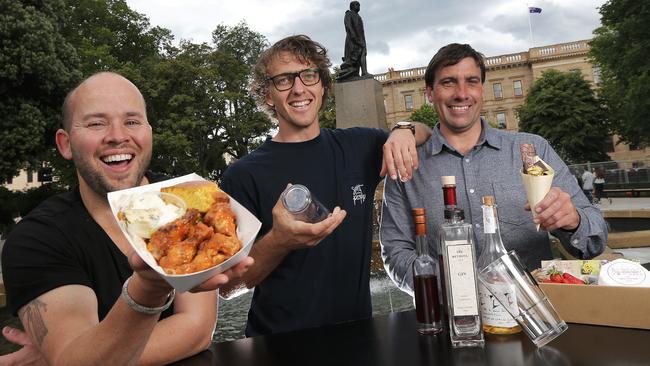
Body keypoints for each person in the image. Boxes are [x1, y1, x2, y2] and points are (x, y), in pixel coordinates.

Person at [0, 72, 253, 365]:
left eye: (132, 121)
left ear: (149, 132)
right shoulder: (37, 239)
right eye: (96, 123)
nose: (118, 136)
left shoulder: (190, 201)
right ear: (65, 144)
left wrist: (78, 356)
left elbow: (197, 331)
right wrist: (149, 290)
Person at [218, 35, 431, 336]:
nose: (298, 89)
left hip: (357, 341)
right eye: (283, 80)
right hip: (277, 346)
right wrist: (279, 240)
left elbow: (427, 132)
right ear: (267, 95)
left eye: (308, 75)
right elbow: (227, 286)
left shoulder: (361, 145)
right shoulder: (242, 176)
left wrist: (403, 130)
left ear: (322, 85)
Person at [379, 43, 608, 295]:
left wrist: (573, 221)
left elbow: (593, 241)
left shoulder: (531, 151)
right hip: (450, 321)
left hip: (534, 315)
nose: (462, 93)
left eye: (472, 81)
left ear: (482, 90)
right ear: (430, 93)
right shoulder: (406, 164)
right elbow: (395, 252)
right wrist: (452, 289)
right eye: (448, 82)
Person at [338, 1, 368, 80]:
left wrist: (361, 40)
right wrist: (354, 38)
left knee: (362, 54)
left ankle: (364, 72)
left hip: (361, 39)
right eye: (356, 5)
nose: (358, 6)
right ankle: (355, 74)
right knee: (354, 57)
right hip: (352, 39)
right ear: (352, 6)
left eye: (359, 5)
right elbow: (348, 27)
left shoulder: (358, 16)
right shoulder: (349, 14)